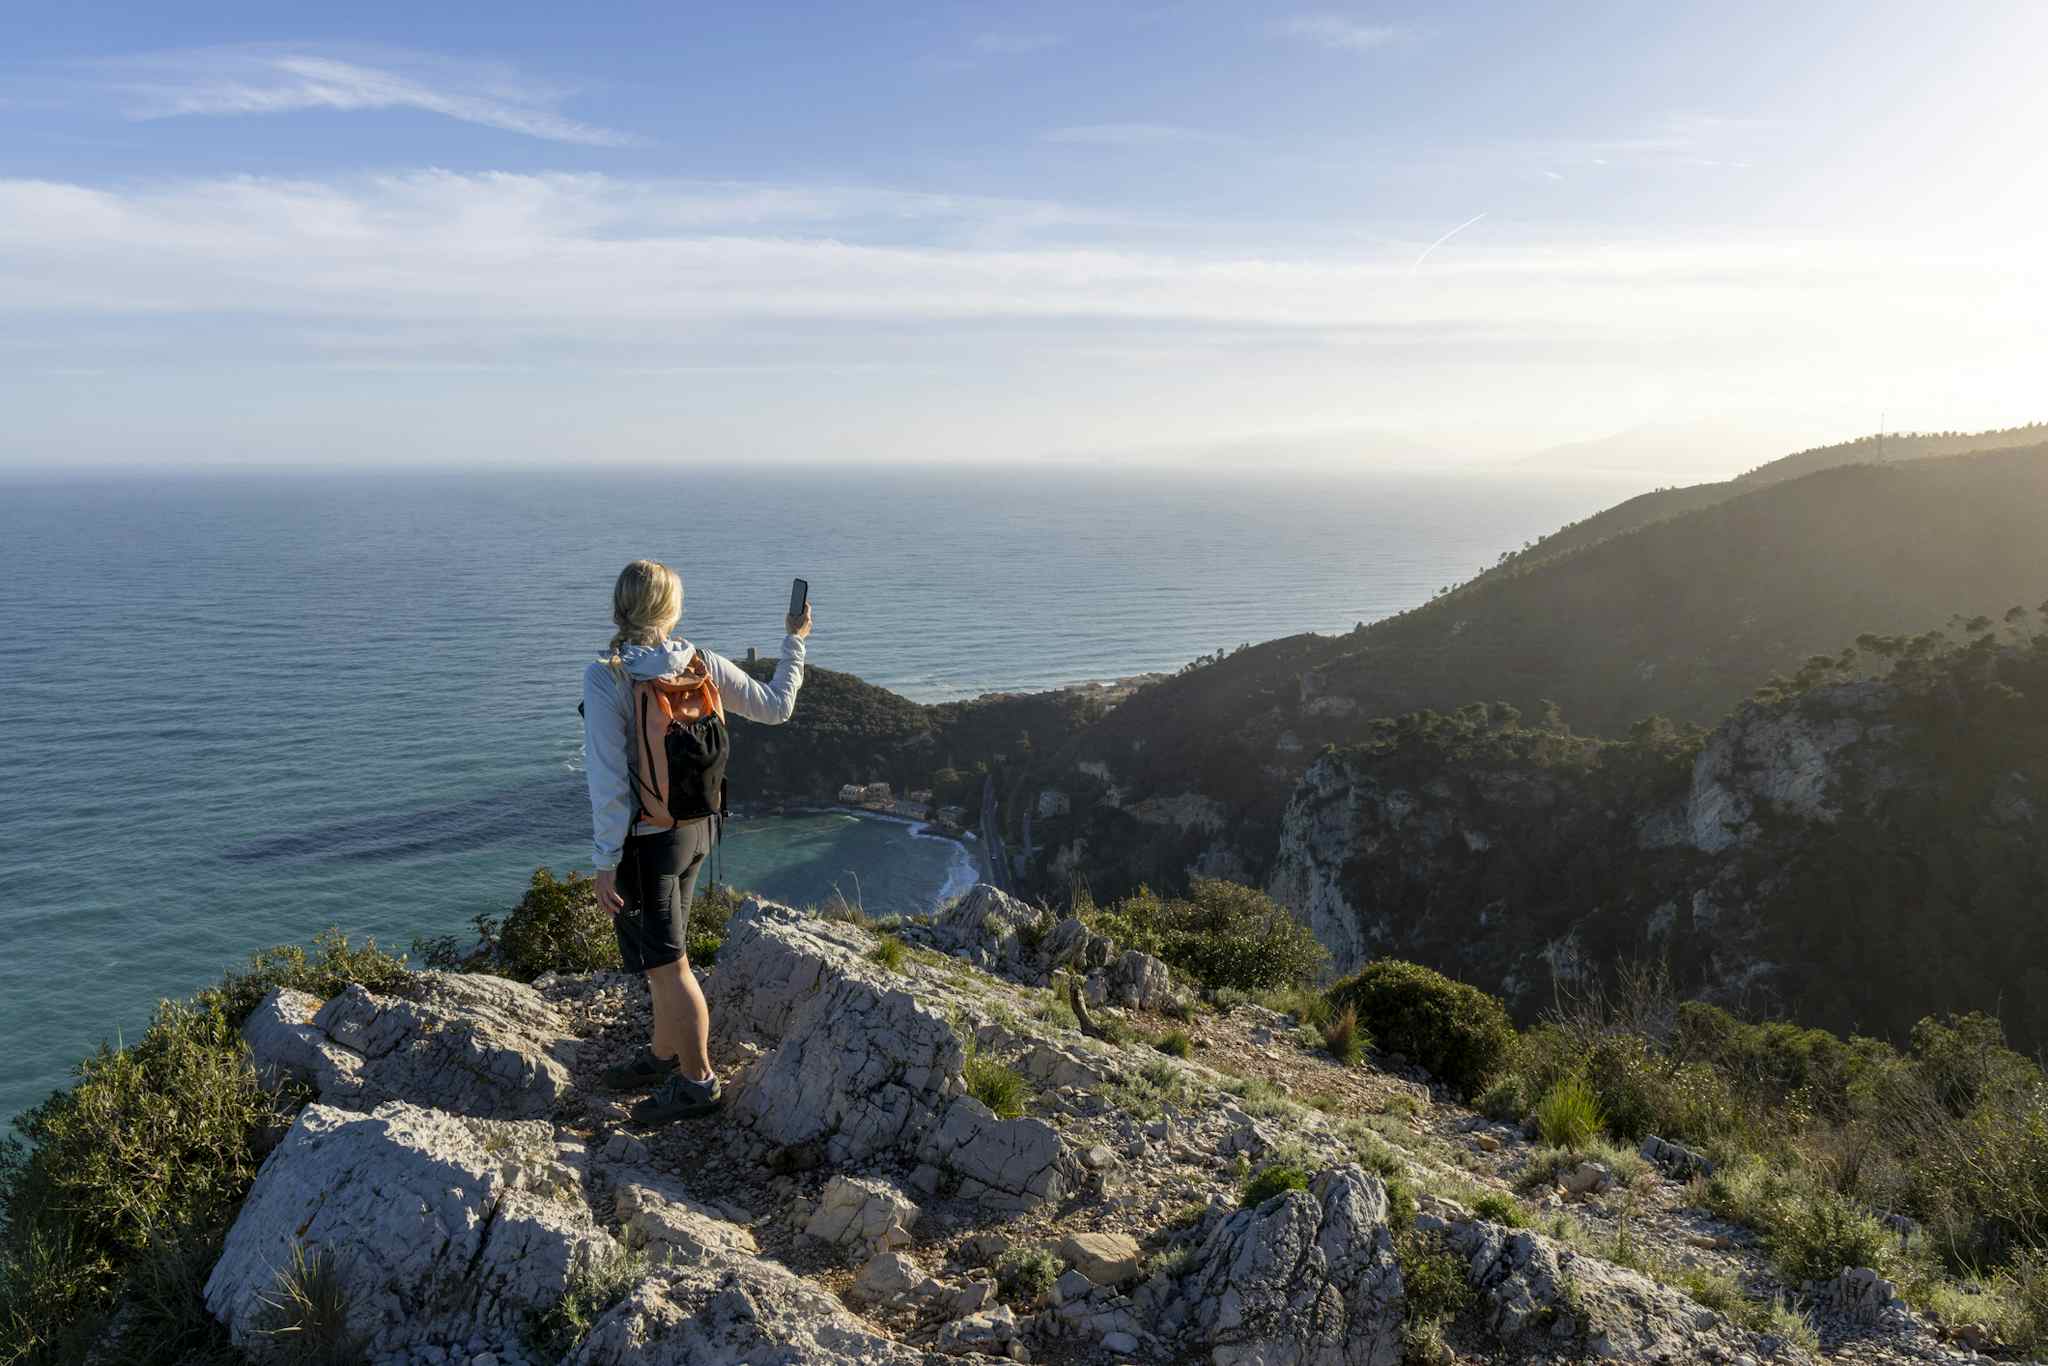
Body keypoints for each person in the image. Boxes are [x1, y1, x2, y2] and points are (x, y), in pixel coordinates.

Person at [582, 559, 809, 1124]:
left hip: (647, 843)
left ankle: (697, 1081)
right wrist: (793, 639)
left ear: (620, 606)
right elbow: (778, 707)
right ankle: (663, 1054)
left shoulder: (609, 675)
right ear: (671, 609)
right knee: (665, 959)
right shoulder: (700, 662)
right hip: (700, 830)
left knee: (669, 965)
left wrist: (604, 862)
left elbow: (608, 781)